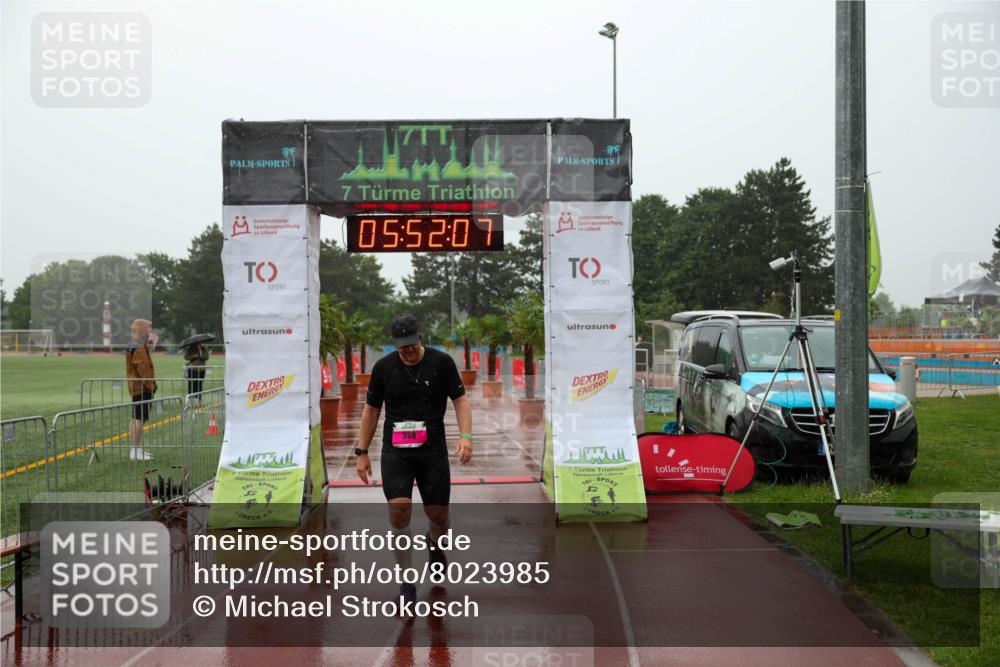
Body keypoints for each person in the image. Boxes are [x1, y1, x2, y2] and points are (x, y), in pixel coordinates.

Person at [356, 314, 473, 606]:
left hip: (432, 451)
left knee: (438, 516)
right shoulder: (383, 368)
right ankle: (407, 582)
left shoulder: (441, 363)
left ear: (420, 336)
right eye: (401, 346)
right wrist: (362, 452)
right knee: (399, 510)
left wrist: (465, 436)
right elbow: (371, 411)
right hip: (396, 451)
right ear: (394, 343)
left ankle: (435, 544)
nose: (407, 350)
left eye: (411, 344)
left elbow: (460, 400)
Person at [125, 319, 158, 461]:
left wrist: (150, 344)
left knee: (137, 419)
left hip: (138, 387)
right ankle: (135, 451)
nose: (150, 331)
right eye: (148, 329)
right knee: (138, 419)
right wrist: (151, 385)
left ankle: (136, 449)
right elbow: (143, 368)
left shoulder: (137, 344)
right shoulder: (138, 346)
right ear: (142, 329)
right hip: (142, 388)